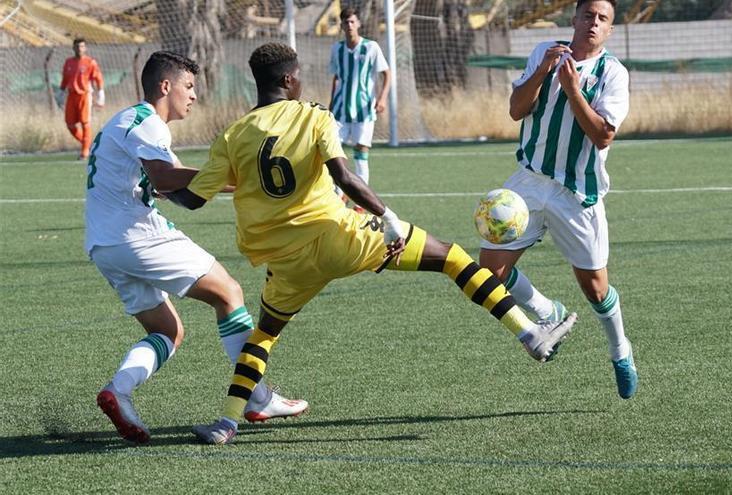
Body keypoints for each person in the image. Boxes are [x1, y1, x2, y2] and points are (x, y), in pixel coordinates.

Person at [157, 42, 577, 445]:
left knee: (263, 335)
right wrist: (388, 220)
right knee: (451, 257)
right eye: (300, 76)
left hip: (288, 263)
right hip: (342, 238)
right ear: (288, 79)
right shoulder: (313, 115)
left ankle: (227, 422)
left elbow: (193, 198)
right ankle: (528, 334)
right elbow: (345, 176)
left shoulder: (232, 135)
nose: (303, 82)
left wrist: (160, 188)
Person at [86, 51, 307, 444]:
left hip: (103, 245)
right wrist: (246, 177)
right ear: (165, 86)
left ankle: (118, 390)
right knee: (229, 292)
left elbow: (178, 183)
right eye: (189, 87)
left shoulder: (126, 122)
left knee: (168, 332)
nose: (193, 96)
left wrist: (237, 181)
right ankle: (257, 397)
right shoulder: (148, 122)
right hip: (136, 235)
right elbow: (166, 177)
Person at [478, 0, 638, 400]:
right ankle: (548, 312)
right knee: (489, 271)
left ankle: (620, 350)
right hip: (530, 180)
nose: (593, 23)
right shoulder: (543, 52)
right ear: (575, 19)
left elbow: (603, 135)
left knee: (596, 289)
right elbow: (516, 110)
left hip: (576, 192)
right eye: (588, 15)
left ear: (610, 30)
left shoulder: (613, 73)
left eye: (603, 19)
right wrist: (542, 73)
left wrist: (571, 90)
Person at [328, 6, 390, 209]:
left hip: (363, 110)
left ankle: (361, 203)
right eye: (345, 22)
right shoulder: (336, 49)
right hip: (339, 110)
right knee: (333, 153)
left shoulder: (371, 47)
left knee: (361, 152)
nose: (349, 25)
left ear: (359, 24)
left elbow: (386, 73)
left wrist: (382, 99)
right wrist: (330, 104)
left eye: (352, 21)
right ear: (342, 25)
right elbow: (336, 77)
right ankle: (340, 194)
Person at [60, 38, 105, 160]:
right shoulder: (68, 62)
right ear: (73, 48)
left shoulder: (90, 62)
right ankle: (89, 145)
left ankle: (85, 152)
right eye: (77, 46)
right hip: (71, 95)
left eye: (82, 46)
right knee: (70, 124)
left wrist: (101, 94)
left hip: (84, 96)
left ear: (85, 48)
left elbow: (98, 78)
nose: (79, 49)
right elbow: (65, 79)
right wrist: (60, 93)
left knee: (85, 123)